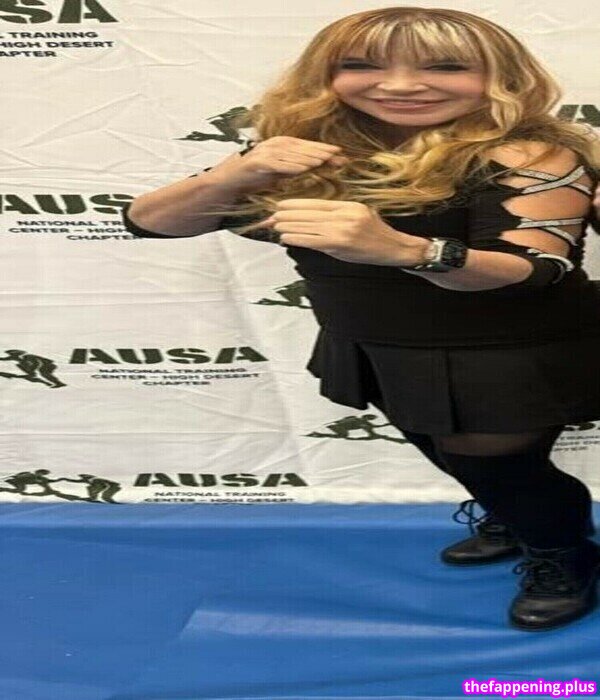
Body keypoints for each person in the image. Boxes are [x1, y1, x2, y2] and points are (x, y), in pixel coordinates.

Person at [120, 7, 600, 631]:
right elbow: (150, 222)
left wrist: (405, 250)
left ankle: (564, 552)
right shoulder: (310, 149)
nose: (400, 85)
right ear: (326, 74)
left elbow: (535, 268)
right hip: (376, 340)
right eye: (361, 65)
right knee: (448, 453)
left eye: (445, 67)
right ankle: (513, 518)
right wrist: (240, 170)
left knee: (500, 465)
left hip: (504, 347)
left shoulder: (530, 154)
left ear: (498, 77)